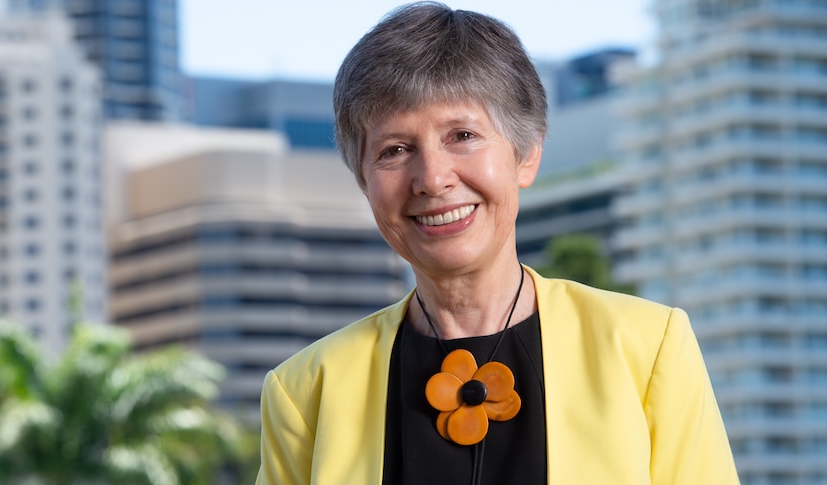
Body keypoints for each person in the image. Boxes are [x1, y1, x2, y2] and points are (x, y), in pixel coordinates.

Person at [256, 2, 739, 484]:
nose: (432, 179)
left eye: (462, 135)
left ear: (526, 155)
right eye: (395, 150)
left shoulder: (647, 348)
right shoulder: (304, 393)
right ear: (364, 181)